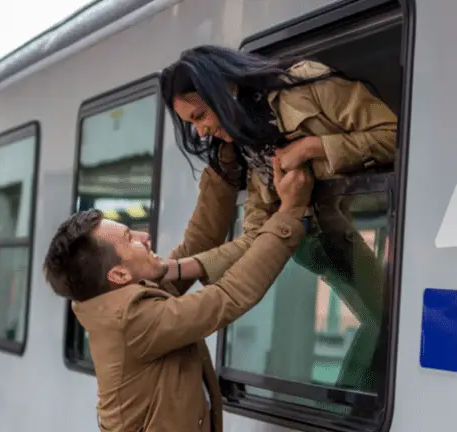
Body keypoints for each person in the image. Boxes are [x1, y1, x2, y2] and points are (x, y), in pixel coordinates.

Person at [159, 45, 398, 392]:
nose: (200, 132)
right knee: (382, 322)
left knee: (385, 323)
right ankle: (345, 404)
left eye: (199, 116)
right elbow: (253, 239)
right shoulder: (248, 145)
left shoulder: (304, 85)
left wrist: (313, 147)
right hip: (316, 250)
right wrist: (173, 270)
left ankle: (344, 405)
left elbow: (395, 137)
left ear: (226, 90)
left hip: (343, 234)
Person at [42, 161, 312, 432]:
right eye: (129, 238)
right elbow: (227, 297)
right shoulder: (133, 320)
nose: (144, 236)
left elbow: (196, 245)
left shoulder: (121, 298)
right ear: (120, 275)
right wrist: (289, 214)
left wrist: (222, 169)